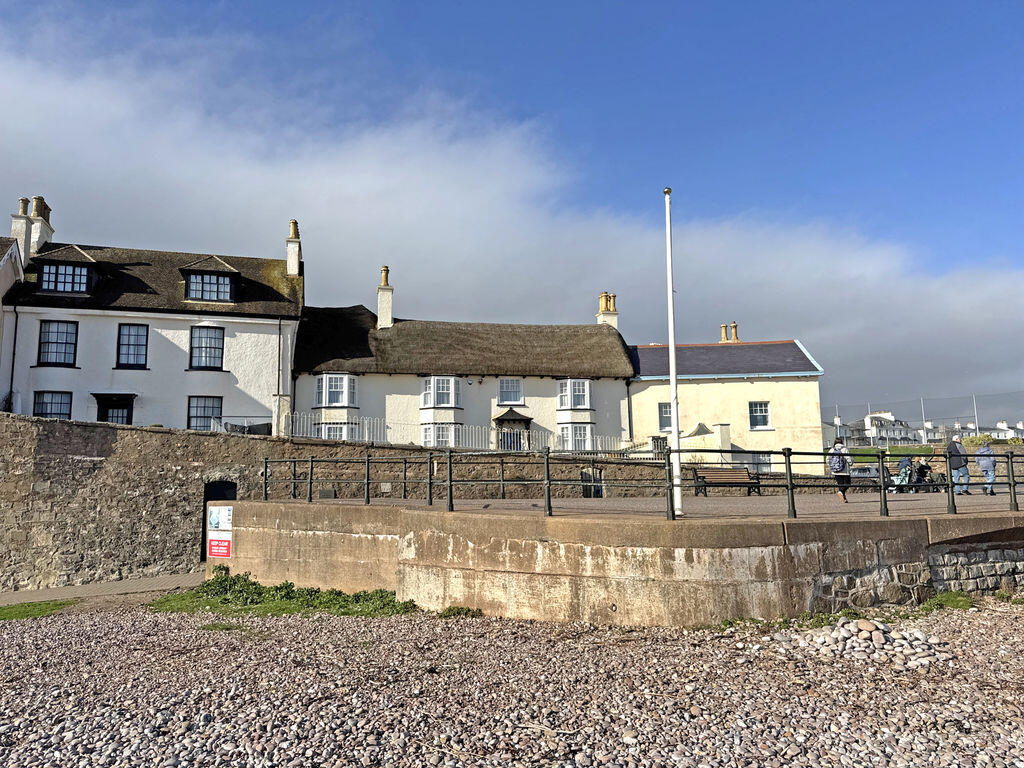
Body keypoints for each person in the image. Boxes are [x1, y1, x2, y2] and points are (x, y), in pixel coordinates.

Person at [827, 438, 853, 503]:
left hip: (835, 471)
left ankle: (843, 499)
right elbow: (848, 458)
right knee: (847, 484)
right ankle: (840, 492)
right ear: (842, 442)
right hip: (845, 471)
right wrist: (851, 463)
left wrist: (831, 466)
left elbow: (827, 459)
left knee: (840, 484)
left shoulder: (831, 450)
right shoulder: (844, 449)